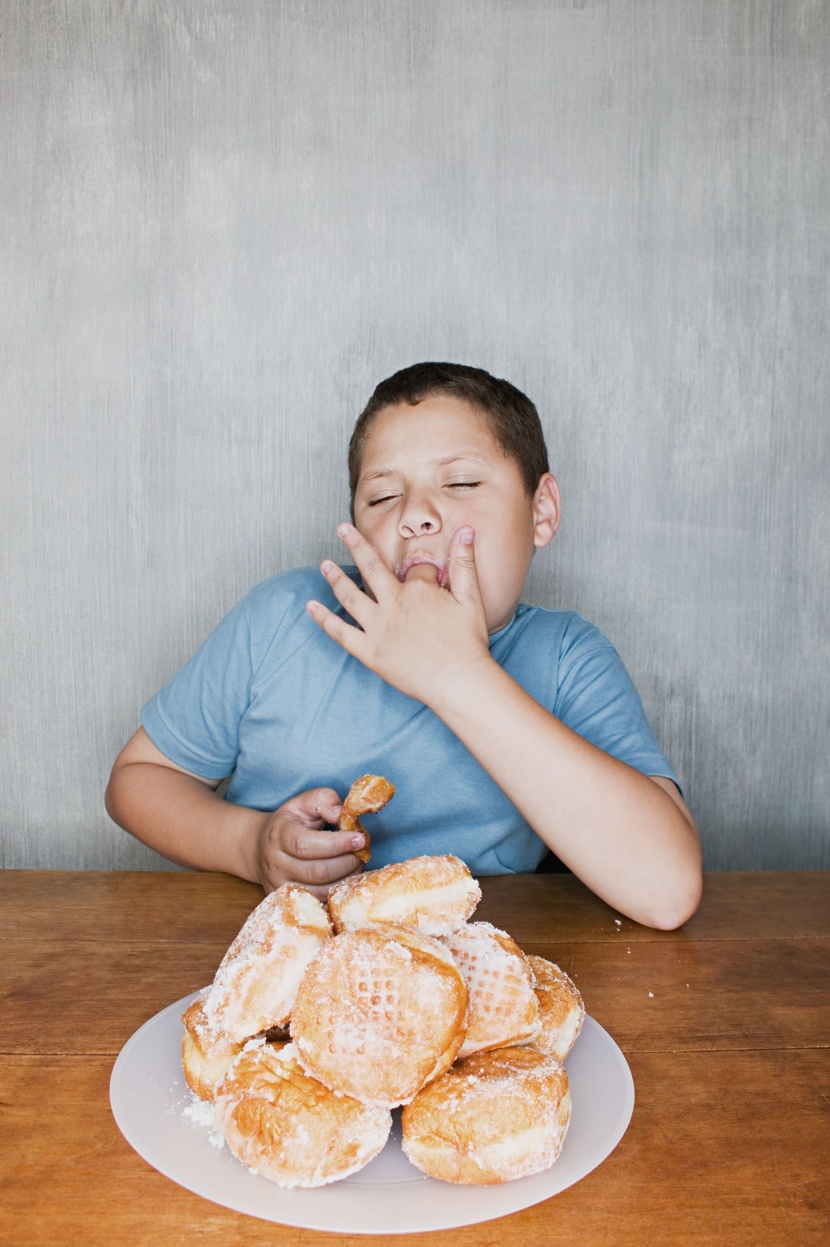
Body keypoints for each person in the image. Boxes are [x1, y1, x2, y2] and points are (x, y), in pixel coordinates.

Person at [105, 362, 702, 929]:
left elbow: (666, 890)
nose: (416, 515)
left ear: (541, 511)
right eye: (383, 498)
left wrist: (454, 673)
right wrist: (249, 845)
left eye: (461, 482)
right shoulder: (286, 616)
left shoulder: (569, 658)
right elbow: (139, 779)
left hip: (468, 971)